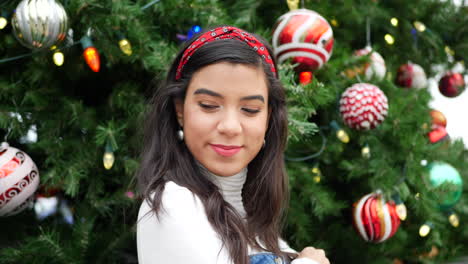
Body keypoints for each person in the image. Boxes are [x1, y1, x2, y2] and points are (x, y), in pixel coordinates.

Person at [136, 25, 330, 264]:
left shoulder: (254, 220)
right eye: (208, 105)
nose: (230, 126)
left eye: (250, 110)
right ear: (179, 110)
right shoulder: (171, 204)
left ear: (268, 117)